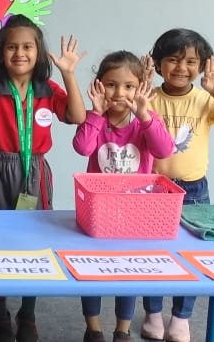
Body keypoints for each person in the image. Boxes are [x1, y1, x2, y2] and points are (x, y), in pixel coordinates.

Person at [0, 14, 87, 342]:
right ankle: (0, 310)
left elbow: (77, 116)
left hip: (35, 171)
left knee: (35, 242)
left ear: (39, 53)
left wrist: (69, 73)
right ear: (1, 53)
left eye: (27, 47)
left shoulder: (47, 88)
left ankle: (28, 312)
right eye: (11, 47)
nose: (20, 53)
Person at [139, 28, 214, 342]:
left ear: (202, 67)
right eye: (172, 60)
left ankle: (181, 317)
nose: (181, 68)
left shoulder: (205, 100)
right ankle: (153, 313)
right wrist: (140, 89)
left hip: (194, 190)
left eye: (190, 61)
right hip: (152, 189)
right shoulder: (148, 97)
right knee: (153, 253)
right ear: (158, 63)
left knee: (190, 253)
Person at [72, 51, 173, 342]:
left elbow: (165, 150)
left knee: (127, 273)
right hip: (97, 211)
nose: (119, 93)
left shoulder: (145, 120)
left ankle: (123, 330)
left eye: (128, 86)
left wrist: (143, 114)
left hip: (134, 214)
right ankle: (93, 329)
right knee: (91, 272)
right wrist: (95, 113)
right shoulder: (96, 120)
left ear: (140, 87)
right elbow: (82, 147)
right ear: (99, 85)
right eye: (112, 84)